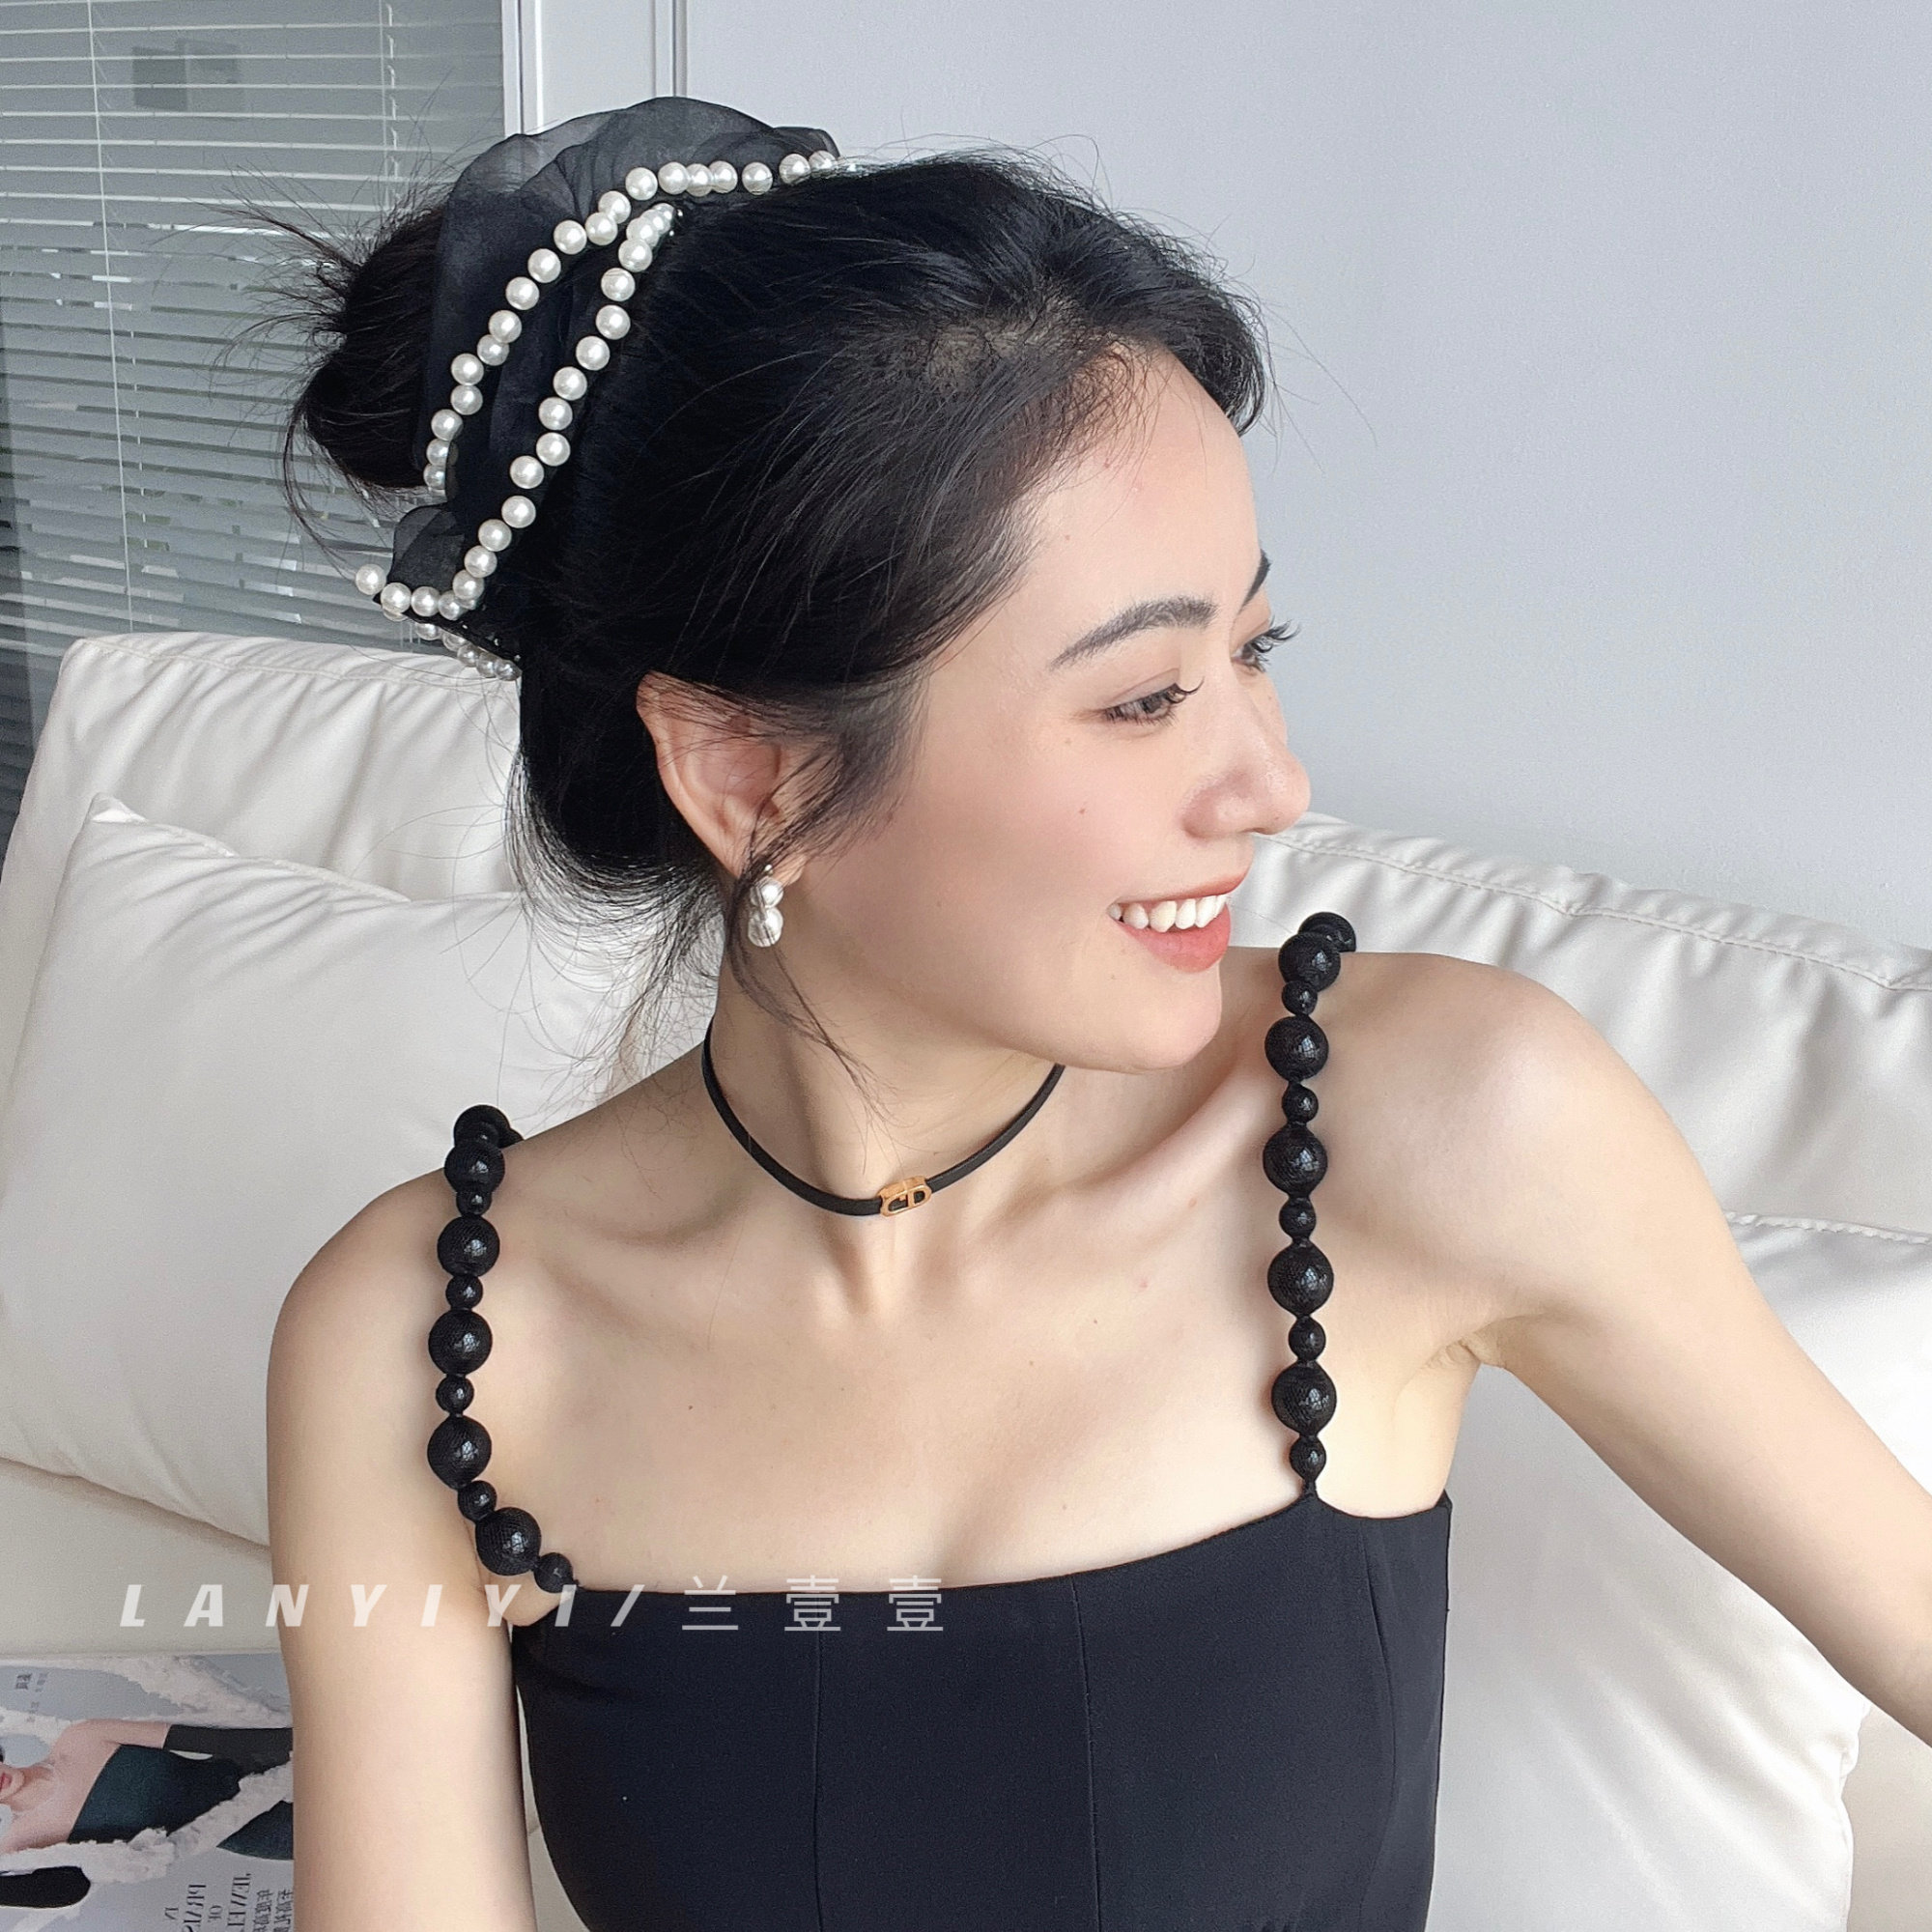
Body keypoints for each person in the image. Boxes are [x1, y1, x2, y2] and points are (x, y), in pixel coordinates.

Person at [261, 95, 1932, 1932]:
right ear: (749, 773)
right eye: (1145, 698)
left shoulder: (1441, 1126)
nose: (1272, 784)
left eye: (1253, 651)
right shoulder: (427, 1340)